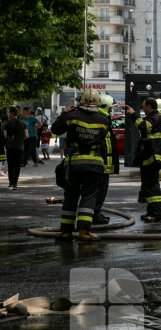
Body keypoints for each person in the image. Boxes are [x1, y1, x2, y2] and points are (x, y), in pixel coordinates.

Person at [51, 89, 110, 242]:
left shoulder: (71, 116)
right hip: (94, 163)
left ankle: (66, 232)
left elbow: (55, 129)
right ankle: (84, 231)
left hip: (74, 163)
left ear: (81, 100)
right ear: (97, 101)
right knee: (89, 196)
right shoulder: (104, 120)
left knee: (70, 196)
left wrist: (66, 114)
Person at [127, 98, 161, 223]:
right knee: (149, 186)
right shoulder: (153, 118)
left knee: (152, 187)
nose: (143, 109)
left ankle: (156, 213)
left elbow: (143, 126)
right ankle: (151, 212)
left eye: (143, 106)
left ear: (149, 106)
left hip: (152, 158)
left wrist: (133, 114)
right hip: (149, 158)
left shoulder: (155, 118)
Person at [93, 95, 119, 225]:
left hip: (103, 163)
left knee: (99, 190)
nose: (111, 110)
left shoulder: (103, 118)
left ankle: (96, 213)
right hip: (101, 163)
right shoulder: (102, 119)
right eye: (110, 108)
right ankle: (95, 215)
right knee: (99, 190)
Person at [3, 106, 28, 190]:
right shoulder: (23, 124)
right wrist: (20, 139)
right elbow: (27, 136)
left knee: (10, 165)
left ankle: (10, 183)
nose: (7, 114)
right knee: (17, 165)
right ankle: (15, 184)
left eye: (8, 112)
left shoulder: (6, 123)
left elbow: (5, 136)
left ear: (12, 113)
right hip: (20, 147)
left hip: (10, 147)